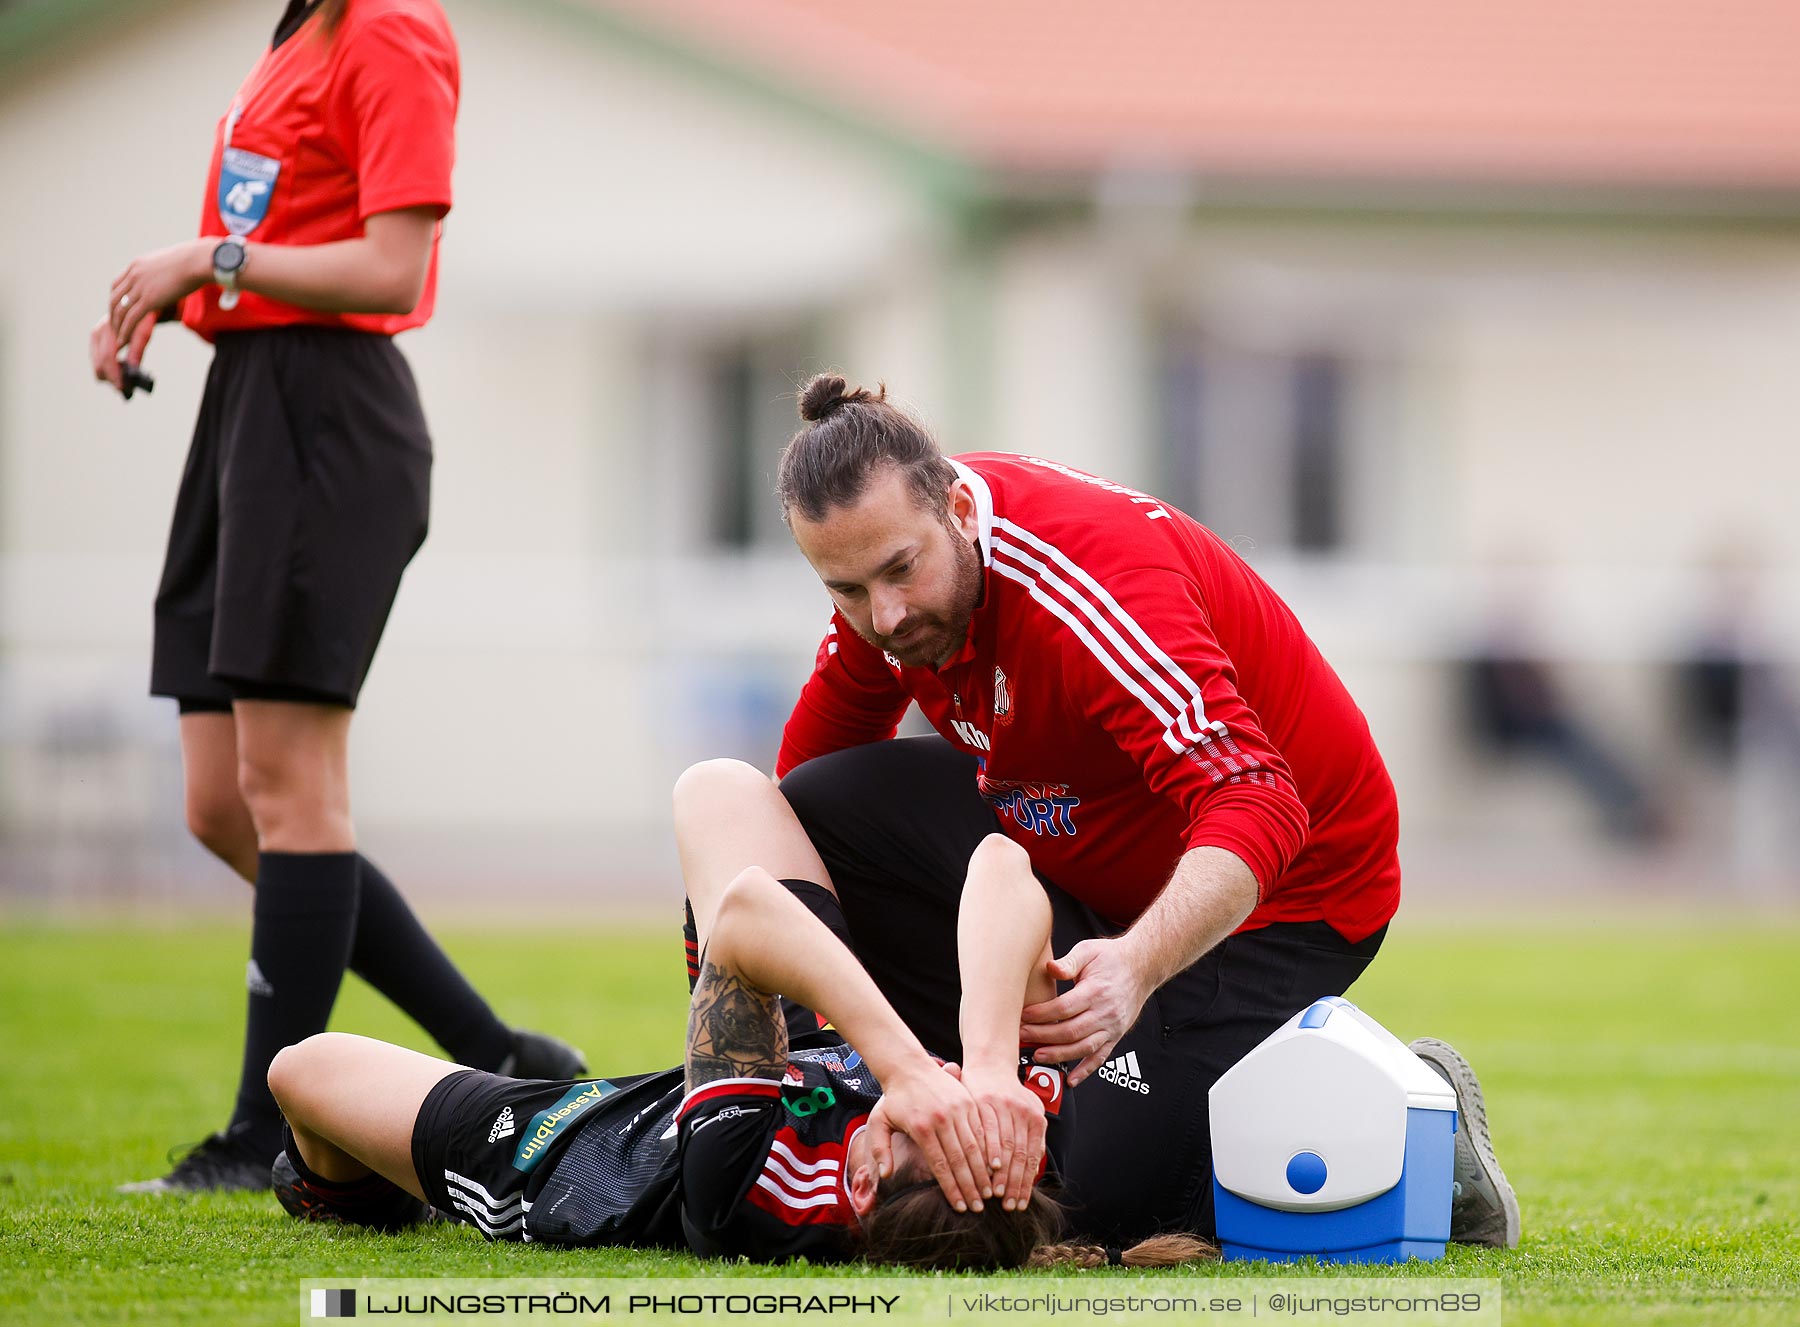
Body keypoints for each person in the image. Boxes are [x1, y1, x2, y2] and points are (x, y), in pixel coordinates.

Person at [768, 373, 1520, 1249]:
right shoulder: (889, 580)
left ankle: (1391, 1114)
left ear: (960, 509)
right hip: (1079, 855)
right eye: (846, 591)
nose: (884, 615)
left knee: (1074, 1198)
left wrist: (1134, 966)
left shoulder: (1086, 587)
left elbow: (1259, 801)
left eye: (900, 571)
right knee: (813, 811)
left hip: (1288, 897)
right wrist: (820, 1041)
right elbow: (792, 811)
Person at [89, 0, 581, 1193]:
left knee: (292, 789)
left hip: (325, 418)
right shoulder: (297, 30)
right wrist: (176, 301)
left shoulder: (388, 27)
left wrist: (202, 259)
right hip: (248, 409)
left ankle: (267, 1131)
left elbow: (391, 263)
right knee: (224, 802)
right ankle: (502, 1058)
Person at [269, 787, 1213, 1268]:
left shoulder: (750, 1188)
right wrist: (991, 1065)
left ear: (860, 1171)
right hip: (794, 1064)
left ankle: (356, 1189)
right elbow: (1005, 864)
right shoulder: (1002, 1143)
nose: (932, 1094)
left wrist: (903, 1065)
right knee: (718, 784)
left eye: (915, 1116)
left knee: (305, 1071)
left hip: (579, 1156)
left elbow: (747, 914)